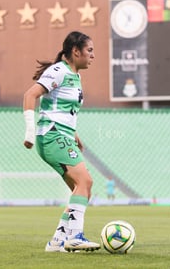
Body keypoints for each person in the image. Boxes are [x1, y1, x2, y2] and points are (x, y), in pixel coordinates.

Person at [23, 31, 100, 252]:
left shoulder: (75, 75)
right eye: (89, 50)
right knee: (84, 182)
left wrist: (74, 134)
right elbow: (30, 95)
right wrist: (29, 132)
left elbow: (62, 108)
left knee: (82, 190)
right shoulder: (58, 71)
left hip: (63, 135)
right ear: (76, 51)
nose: (93, 56)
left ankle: (57, 241)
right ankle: (75, 237)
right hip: (52, 135)